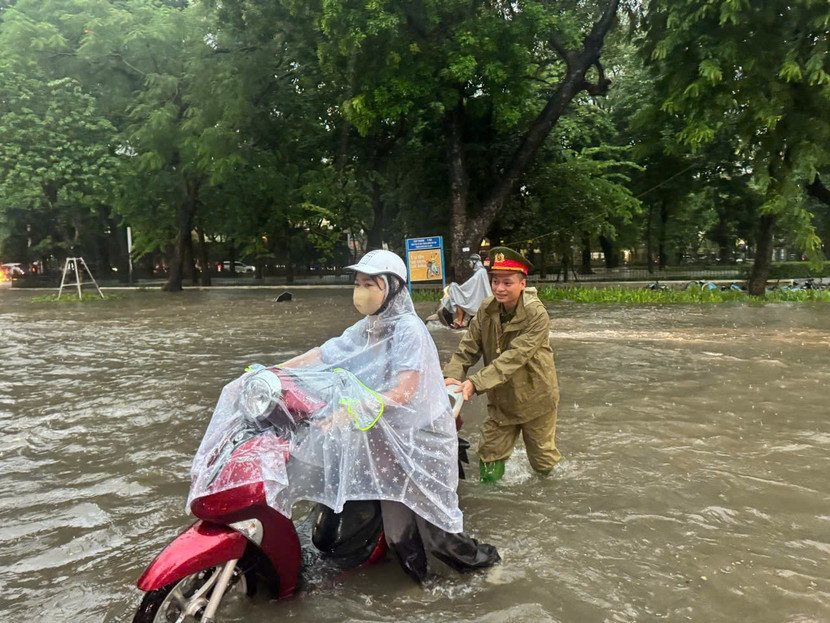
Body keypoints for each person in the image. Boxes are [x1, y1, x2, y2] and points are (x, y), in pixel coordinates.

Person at [279, 249, 499, 583]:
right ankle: (422, 588)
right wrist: (274, 373)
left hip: (416, 440)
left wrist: (350, 411)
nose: (361, 290)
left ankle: (490, 566)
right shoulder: (368, 327)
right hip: (381, 435)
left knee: (438, 533)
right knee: (398, 533)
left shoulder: (409, 329)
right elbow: (323, 354)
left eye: (370, 283)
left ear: (392, 288)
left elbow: (405, 391)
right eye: (358, 282)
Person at [443, 247, 561, 483]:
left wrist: (474, 384)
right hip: (502, 400)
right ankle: (492, 498)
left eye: (507, 283)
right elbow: (467, 349)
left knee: (542, 460)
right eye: (495, 281)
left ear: (522, 284)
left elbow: (514, 358)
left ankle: (551, 489)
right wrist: (451, 378)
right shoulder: (487, 310)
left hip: (536, 399)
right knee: (489, 454)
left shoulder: (537, 315)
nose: (499, 288)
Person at [440, 253, 492, 328]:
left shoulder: (480, 272)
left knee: (459, 300)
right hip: (477, 295)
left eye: (470, 262)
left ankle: (459, 321)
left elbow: (470, 284)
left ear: (474, 262)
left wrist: (458, 288)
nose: (469, 264)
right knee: (461, 298)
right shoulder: (480, 271)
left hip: (478, 297)